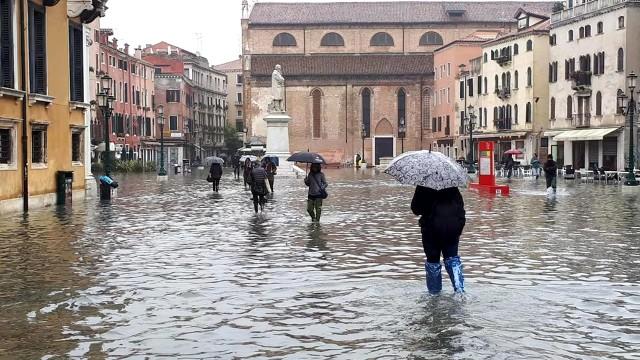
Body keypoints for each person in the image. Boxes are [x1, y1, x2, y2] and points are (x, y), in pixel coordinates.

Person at [411, 186, 466, 294]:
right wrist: (459, 226)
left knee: (433, 261)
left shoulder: (423, 186)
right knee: (452, 258)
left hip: (431, 229)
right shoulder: (452, 186)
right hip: (452, 228)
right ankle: (459, 291)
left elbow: (416, 209)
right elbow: (461, 208)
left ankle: (434, 294)